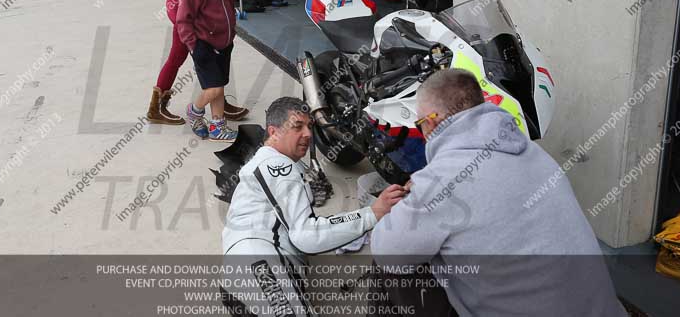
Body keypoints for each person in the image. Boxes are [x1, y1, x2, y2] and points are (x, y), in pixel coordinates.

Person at [370, 69, 626, 317]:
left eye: (420, 124)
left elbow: (388, 253)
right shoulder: (532, 152)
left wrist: (396, 210)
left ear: (432, 122)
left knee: (391, 263)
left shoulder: (439, 181)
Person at [221, 97, 407, 316]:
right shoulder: (276, 164)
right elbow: (306, 235)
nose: (308, 134)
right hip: (259, 267)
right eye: (297, 126)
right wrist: (373, 213)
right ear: (273, 132)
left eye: (309, 126)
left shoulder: (268, 164)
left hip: (249, 274)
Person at [176, 0, 245, 141]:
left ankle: (217, 126)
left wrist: (231, 31)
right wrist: (194, 46)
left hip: (224, 41)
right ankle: (194, 112)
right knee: (213, 89)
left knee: (219, 85)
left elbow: (229, 3)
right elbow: (183, 18)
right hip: (203, 43)